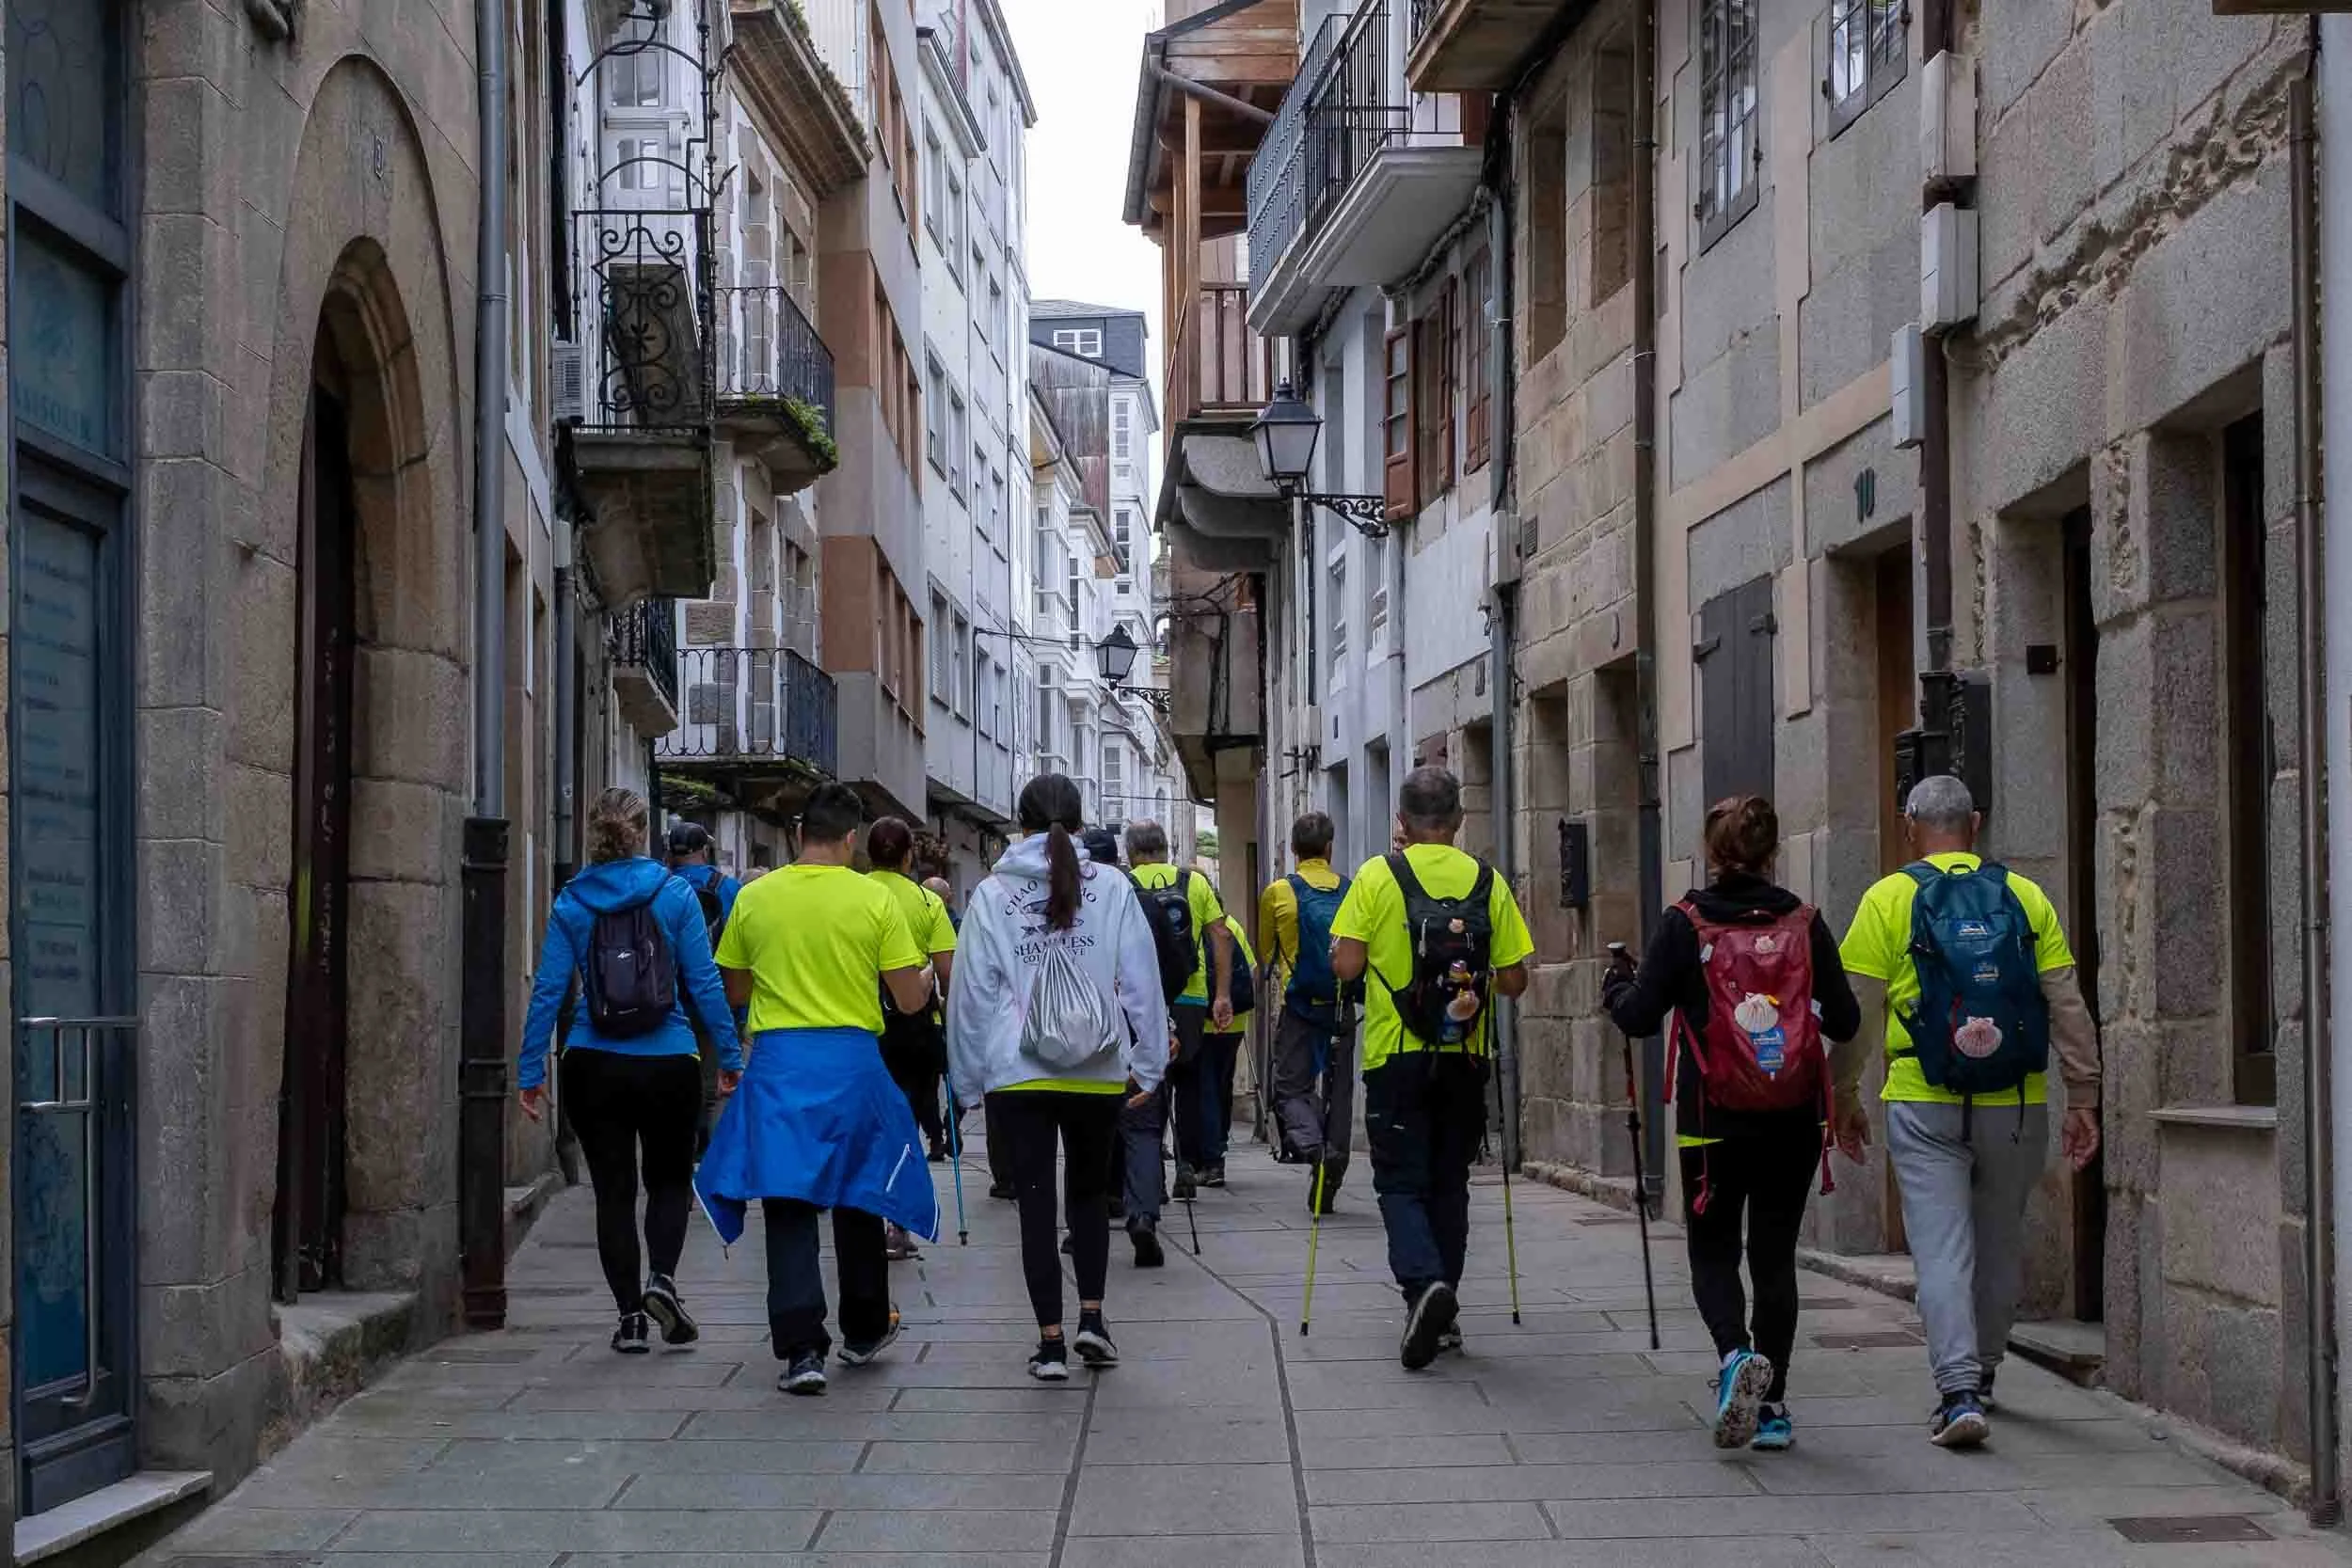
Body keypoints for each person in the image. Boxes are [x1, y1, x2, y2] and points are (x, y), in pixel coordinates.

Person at [1837, 774, 2102, 1448]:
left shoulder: (1887, 899)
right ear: (1975, 824)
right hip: (2015, 1099)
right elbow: (2064, 1001)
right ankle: (1983, 1370)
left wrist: (1841, 1092)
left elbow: (1855, 1011)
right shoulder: (2025, 896)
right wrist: (2084, 1095)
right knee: (2001, 1240)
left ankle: (1957, 1391)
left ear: (1908, 826)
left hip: (1924, 1099)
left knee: (1942, 1248)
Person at [1602, 796, 1862, 1451]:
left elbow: (1636, 1016)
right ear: (1771, 851)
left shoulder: (1684, 923)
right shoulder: (1805, 923)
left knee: (1713, 1247)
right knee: (1774, 1255)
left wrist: (1616, 983)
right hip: (1793, 1116)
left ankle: (1733, 1355)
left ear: (1712, 852)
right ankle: (1771, 1407)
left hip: (1710, 1119)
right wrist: (1788, 1027)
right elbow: (1849, 1019)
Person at [694, 784, 940, 1396]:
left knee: (787, 1199)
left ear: (800, 833)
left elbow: (736, 991)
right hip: (852, 1062)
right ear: (852, 838)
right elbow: (909, 999)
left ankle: (802, 1348)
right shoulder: (873, 900)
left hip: (780, 1063)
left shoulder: (756, 898)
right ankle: (863, 1327)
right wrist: (928, 976)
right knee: (858, 1191)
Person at [949, 775, 1170, 1380]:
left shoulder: (994, 894)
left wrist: (966, 1081)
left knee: (1035, 1208)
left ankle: (1049, 1344)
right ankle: (1093, 1320)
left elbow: (971, 994)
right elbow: (1140, 982)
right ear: (1079, 822)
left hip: (1018, 1071)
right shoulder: (1112, 888)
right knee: (1090, 1198)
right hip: (1097, 1068)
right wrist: (1148, 1062)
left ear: (1018, 824)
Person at [519, 787, 740, 1354]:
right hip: (669, 1059)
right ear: (644, 834)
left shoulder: (573, 900)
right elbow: (705, 983)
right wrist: (731, 1056)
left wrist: (529, 1071)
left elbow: (548, 991)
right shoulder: (674, 896)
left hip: (594, 1063)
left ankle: (629, 1321)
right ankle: (661, 1280)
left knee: (613, 1194)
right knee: (668, 1181)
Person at [1332, 766, 1534, 1370]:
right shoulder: (1487, 881)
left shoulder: (1375, 875)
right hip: (1464, 1058)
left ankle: (1424, 1287)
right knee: (1450, 1183)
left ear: (1401, 821)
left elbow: (1345, 967)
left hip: (1396, 1055)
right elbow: (1516, 981)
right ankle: (1445, 1311)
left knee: (1398, 1182)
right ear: (1459, 820)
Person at [1125, 821, 1234, 1199]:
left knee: (1147, 1083)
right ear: (1166, 849)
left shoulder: (1125, 884)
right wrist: (1222, 994)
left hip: (1143, 998)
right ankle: (1188, 1166)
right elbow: (1221, 934)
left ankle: (1148, 1169)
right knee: (1190, 1081)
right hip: (1190, 998)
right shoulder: (1196, 882)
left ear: (1131, 851)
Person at [1260, 812, 1356, 1211]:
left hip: (1298, 1006)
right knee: (1340, 1091)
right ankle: (1330, 1171)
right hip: (1341, 1006)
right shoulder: (1351, 890)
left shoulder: (1278, 893)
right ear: (1330, 848)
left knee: (1290, 1088)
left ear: (1294, 850)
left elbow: (1265, 956)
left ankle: (1312, 1143)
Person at [866, 816, 958, 1180]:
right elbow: (947, 972)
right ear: (908, 857)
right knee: (912, 1100)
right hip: (914, 1020)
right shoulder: (928, 901)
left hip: (862, 1016)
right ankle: (899, 1202)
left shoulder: (855, 892)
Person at [667, 820, 743, 1155]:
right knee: (712, 1083)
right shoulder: (729, 889)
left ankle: (682, 1144)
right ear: (704, 851)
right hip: (717, 998)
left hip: (668, 1002)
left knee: (678, 1081)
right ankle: (706, 1150)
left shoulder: (661, 886)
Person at [1199, 914, 1257, 1184]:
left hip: (1203, 1022)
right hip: (1234, 1024)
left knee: (1204, 1087)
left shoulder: (1196, 924)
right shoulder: (1233, 926)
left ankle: (1209, 1158)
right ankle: (1219, 1144)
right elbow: (1252, 967)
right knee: (1223, 1085)